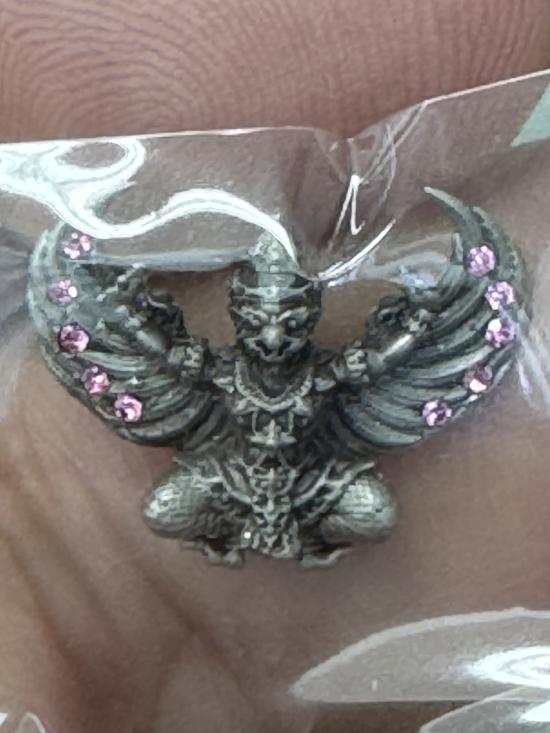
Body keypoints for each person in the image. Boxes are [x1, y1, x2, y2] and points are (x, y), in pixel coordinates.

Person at [1, 1, 549, 731]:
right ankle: (224, 537)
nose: (271, 331)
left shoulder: (332, 374)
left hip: (318, 483)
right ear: (236, 315)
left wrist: (419, 326)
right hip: (224, 478)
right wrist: (131, 326)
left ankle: (302, 540)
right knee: (165, 508)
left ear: (309, 314)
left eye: (289, 318)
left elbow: (379, 366)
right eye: (257, 318)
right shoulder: (212, 371)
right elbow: (157, 362)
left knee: (375, 511)